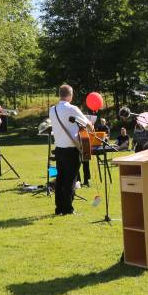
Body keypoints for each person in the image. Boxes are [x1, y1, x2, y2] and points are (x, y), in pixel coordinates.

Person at [48, 84, 92, 216]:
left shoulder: (52, 109)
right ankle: (68, 209)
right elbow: (88, 124)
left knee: (60, 178)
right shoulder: (72, 108)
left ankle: (59, 208)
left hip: (59, 149)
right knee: (70, 180)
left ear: (60, 94)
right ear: (70, 95)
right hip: (71, 149)